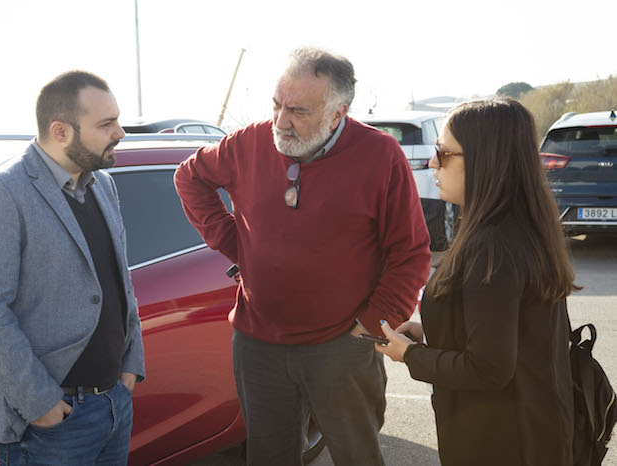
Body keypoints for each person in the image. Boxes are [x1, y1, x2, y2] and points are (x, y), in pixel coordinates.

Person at [174, 47, 431, 465]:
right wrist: (235, 242)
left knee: (357, 457)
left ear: (337, 113)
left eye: (297, 111)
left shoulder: (380, 154)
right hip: (258, 346)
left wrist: (371, 326)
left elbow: (411, 253)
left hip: (341, 345)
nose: (280, 121)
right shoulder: (247, 142)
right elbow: (189, 177)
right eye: (276, 104)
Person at [0, 71, 145, 465]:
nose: (120, 132)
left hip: (114, 402)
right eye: (106, 124)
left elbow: (119, 283)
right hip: (54, 422)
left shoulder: (103, 185)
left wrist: (130, 368)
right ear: (61, 131)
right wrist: (42, 405)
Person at [376, 97, 577, 466]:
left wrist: (410, 355)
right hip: (534, 426)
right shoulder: (520, 226)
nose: (433, 163)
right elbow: (511, 327)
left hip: (502, 441)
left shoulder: (493, 247)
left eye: (443, 153)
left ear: (486, 160)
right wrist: (435, 330)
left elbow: (489, 368)